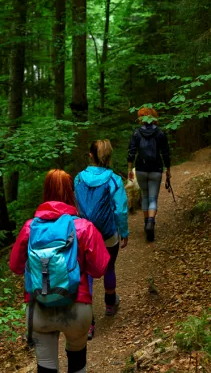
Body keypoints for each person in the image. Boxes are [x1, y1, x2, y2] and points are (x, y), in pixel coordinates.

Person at [10, 169, 110, 373]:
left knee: (45, 368)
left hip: (39, 307)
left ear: (45, 192)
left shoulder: (30, 228)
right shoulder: (84, 227)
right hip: (77, 307)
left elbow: (15, 267)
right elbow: (99, 269)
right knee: (77, 363)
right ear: (70, 193)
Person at [74, 140, 129, 340]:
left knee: (86, 275)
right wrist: (124, 231)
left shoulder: (79, 179)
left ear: (91, 155)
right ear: (109, 156)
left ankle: (89, 325)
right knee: (109, 267)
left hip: (84, 234)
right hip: (107, 234)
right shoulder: (114, 179)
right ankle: (109, 304)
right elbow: (121, 209)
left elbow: (77, 205)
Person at [127, 107, 171, 241]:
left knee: (145, 196)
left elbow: (131, 152)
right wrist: (168, 169)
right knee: (153, 198)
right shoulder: (160, 133)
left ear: (141, 118)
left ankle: (146, 223)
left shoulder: (136, 133)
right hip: (156, 169)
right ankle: (151, 222)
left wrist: (129, 169)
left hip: (140, 169)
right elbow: (165, 153)